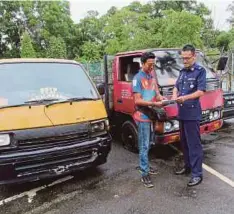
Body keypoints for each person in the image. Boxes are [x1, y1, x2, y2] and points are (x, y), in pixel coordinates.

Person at [172, 44, 206, 187]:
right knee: (184, 143)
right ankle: (187, 167)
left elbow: (201, 91)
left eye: (187, 58)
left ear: (194, 56)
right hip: (182, 113)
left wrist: (184, 98)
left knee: (194, 145)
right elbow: (176, 86)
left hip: (192, 113)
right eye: (183, 58)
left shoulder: (200, 71)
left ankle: (197, 174)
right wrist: (174, 94)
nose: (184, 61)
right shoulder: (182, 71)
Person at [132, 52, 164, 188]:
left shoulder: (152, 76)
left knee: (150, 143)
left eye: (153, 64)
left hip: (152, 115)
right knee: (144, 146)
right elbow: (137, 100)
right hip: (143, 116)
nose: (152, 67)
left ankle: (144, 166)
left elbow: (157, 95)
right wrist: (154, 104)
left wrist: (163, 99)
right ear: (143, 63)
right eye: (150, 65)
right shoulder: (137, 78)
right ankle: (144, 173)